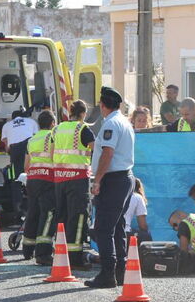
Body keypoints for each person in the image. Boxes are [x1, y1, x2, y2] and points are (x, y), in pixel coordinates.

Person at [85, 86, 136, 288]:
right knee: (117, 227)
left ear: (102, 105)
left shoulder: (111, 124)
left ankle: (107, 274)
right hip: (124, 178)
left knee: (103, 229)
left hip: (113, 180)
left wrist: (97, 180)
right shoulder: (123, 122)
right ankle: (119, 272)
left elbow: (107, 153)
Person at [53, 100, 95, 270]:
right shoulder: (82, 129)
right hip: (77, 179)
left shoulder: (58, 128)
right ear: (84, 113)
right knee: (77, 218)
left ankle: (61, 254)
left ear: (69, 112)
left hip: (59, 178)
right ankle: (75, 258)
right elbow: (95, 150)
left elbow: (52, 152)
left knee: (62, 217)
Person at [22, 111, 57, 265]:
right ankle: (43, 253)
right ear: (52, 123)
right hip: (47, 179)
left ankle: (27, 249)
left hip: (32, 179)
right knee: (48, 215)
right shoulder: (52, 137)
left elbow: (26, 166)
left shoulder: (31, 140)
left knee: (33, 212)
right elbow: (54, 157)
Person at [2, 110, 38, 176]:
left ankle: (17, 184)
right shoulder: (31, 121)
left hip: (15, 149)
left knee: (16, 173)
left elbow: (6, 145)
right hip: (28, 146)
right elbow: (36, 137)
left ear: (12, 118)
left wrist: (10, 153)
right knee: (28, 170)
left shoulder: (6, 125)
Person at [125, 177, 152, 243]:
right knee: (146, 236)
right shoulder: (137, 197)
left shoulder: (112, 194)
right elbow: (143, 225)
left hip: (99, 230)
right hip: (123, 232)